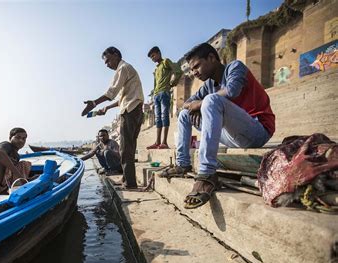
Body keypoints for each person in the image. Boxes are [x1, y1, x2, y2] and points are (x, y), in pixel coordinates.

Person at [160, 43, 275, 209]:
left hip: (257, 131)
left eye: (196, 66)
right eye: (191, 69)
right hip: (233, 135)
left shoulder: (235, 67)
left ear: (212, 58)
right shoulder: (208, 85)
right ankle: (182, 164)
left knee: (210, 100)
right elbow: (186, 105)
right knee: (187, 113)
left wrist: (202, 103)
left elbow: (232, 91)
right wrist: (195, 106)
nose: (194, 72)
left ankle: (207, 174)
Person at [82, 47, 144, 189]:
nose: (107, 64)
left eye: (108, 60)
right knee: (129, 147)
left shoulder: (123, 68)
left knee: (126, 148)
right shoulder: (127, 70)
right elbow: (122, 97)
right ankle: (126, 179)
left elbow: (111, 92)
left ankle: (130, 183)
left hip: (130, 111)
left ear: (116, 55)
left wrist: (94, 103)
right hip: (133, 109)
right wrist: (107, 108)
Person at [146, 46, 182, 149]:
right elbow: (155, 84)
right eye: (151, 57)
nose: (152, 58)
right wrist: (153, 95)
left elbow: (178, 71)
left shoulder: (166, 61)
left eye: (153, 55)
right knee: (158, 119)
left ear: (158, 53)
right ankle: (157, 142)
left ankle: (164, 142)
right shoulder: (156, 69)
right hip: (156, 95)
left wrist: (172, 83)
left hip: (164, 93)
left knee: (164, 116)